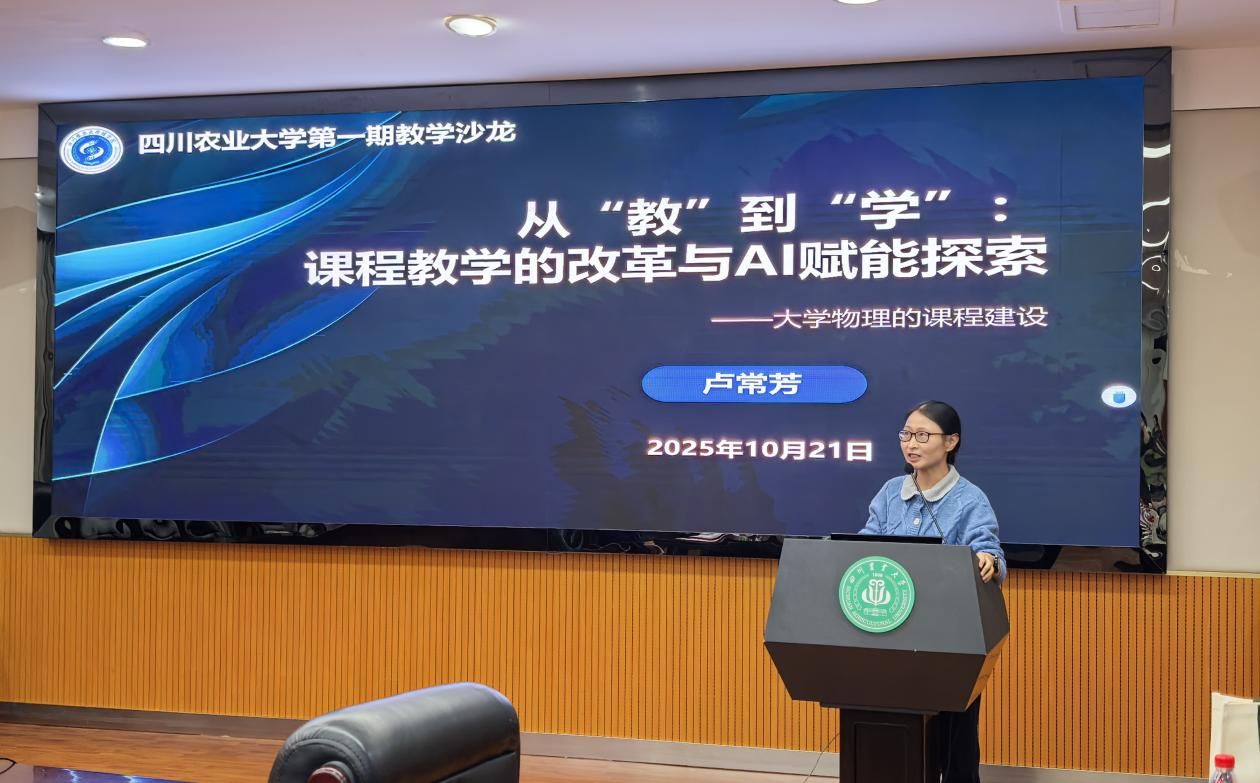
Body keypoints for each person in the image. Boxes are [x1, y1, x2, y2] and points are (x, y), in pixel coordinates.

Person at [859, 400, 1005, 783]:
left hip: (951, 637)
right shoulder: (890, 492)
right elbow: (867, 543)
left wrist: (988, 560)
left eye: (922, 435)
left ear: (951, 442)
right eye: (906, 434)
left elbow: (988, 548)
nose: (911, 443)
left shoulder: (970, 499)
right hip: (890, 629)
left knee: (954, 743)